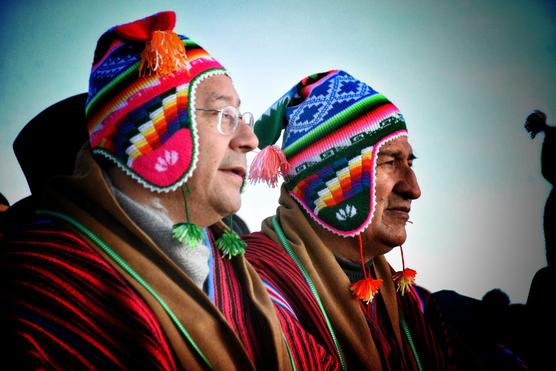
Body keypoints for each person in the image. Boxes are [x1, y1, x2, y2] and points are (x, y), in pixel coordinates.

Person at [0, 11, 294, 370]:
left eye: (241, 118)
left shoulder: (233, 267)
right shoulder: (34, 291)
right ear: (154, 136)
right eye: (224, 115)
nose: (250, 141)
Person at [244, 70, 461, 370]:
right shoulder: (252, 287)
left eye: (410, 163)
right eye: (390, 161)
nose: (414, 188)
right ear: (330, 183)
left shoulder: (414, 306)